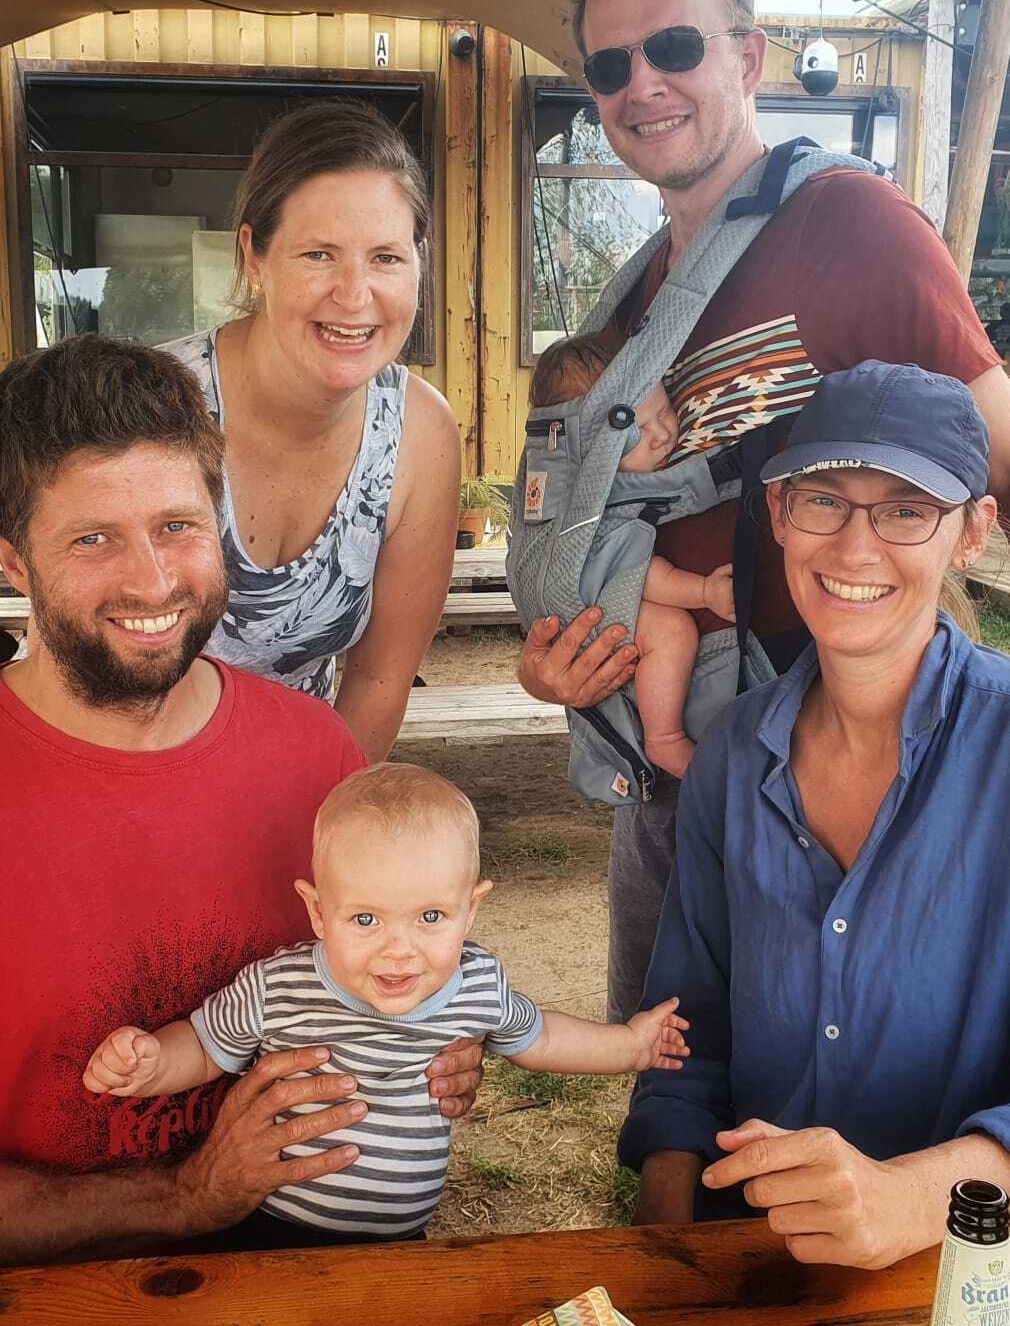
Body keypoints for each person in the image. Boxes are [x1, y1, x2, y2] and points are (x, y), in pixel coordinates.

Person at [517, 0, 1010, 1023]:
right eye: (609, 66)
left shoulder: (852, 224)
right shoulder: (638, 296)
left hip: (837, 772)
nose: (642, 83)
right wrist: (558, 663)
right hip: (669, 779)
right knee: (667, 1071)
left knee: (839, 1078)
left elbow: (996, 451)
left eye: (673, 47)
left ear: (746, 56)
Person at [0, 335, 481, 1267]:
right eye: (93, 539)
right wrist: (186, 1195)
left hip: (303, 1267)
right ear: (15, 562)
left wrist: (431, 1034)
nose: (152, 581)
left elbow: (375, 978)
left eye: (178, 526)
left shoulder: (317, 760)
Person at [619, 360, 1010, 1271]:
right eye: (824, 501)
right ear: (779, 513)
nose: (855, 549)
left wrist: (918, 1194)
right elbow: (686, 1029)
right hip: (748, 1258)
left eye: (906, 510)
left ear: (972, 533)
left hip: (968, 1271)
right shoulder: (730, 754)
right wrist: (664, 1236)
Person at [84, 762, 689, 1244]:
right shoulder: (280, 985)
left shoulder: (476, 984)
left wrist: (629, 1045)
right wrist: (149, 1064)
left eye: (430, 917)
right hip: (272, 1229)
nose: (399, 951)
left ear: (471, 910)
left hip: (403, 1237)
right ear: (318, 911)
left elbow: (544, 1039)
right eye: (366, 919)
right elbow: (203, 1047)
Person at [164, 100, 460, 760]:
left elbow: (379, 680)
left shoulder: (419, 433)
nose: (354, 295)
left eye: (386, 257)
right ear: (255, 256)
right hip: (123, 771)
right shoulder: (153, 405)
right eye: (318, 254)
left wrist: (322, 810)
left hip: (301, 773)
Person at [530, 335, 734, 777]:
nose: (662, 435)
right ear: (590, 447)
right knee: (672, 631)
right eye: (637, 432)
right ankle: (665, 739)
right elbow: (636, 571)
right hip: (591, 609)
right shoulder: (590, 500)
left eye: (665, 411)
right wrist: (704, 591)